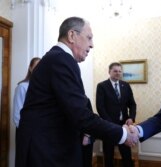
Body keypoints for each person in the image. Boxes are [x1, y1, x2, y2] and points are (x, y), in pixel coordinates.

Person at [15, 17, 137, 167]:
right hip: (46, 151)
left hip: (48, 147)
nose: (92, 45)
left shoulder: (56, 58)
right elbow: (80, 114)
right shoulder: (61, 60)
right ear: (72, 35)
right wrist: (122, 134)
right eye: (89, 38)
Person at [96, 62, 137, 167]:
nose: (118, 73)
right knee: (108, 156)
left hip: (124, 126)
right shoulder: (102, 86)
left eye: (120, 71)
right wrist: (110, 123)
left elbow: (132, 104)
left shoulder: (126, 85)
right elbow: (100, 107)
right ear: (109, 71)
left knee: (126, 155)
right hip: (108, 126)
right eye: (115, 71)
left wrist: (131, 118)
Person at [13, 57, 41, 128]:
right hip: (25, 130)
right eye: (36, 67)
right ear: (30, 68)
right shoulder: (22, 87)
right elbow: (17, 114)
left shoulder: (43, 87)